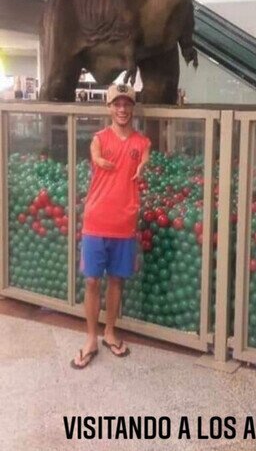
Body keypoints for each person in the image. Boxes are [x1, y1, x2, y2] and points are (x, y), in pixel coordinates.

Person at [71, 83, 151, 369]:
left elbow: (145, 158)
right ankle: (91, 338)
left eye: (127, 104)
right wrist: (97, 159)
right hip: (96, 221)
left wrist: (143, 167)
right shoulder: (99, 138)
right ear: (109, 108)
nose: (122, 109)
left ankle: (109, 332)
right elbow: (95, 153)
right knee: (92, 281)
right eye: (117, 104)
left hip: (124, 222)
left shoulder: (142, 142)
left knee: (117, 280)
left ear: (132, 108)